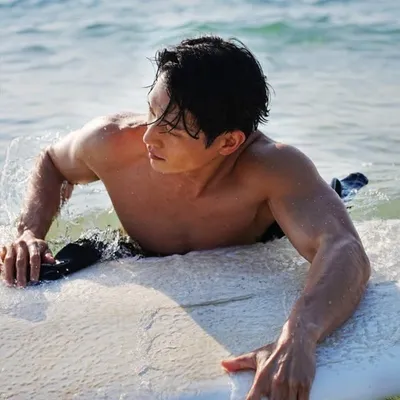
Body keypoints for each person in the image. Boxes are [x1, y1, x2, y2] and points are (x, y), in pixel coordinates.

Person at [0, 36, 370, 400]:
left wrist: (300, 334)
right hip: (139, 249)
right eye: (152, 111)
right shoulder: (110, 141)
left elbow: (344, 248)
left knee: (339, 196)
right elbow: (52, 163)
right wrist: (30, 231)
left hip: (260, 237)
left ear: (228, 143)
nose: (148, 136)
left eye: (172, 129)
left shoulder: (271, 168)